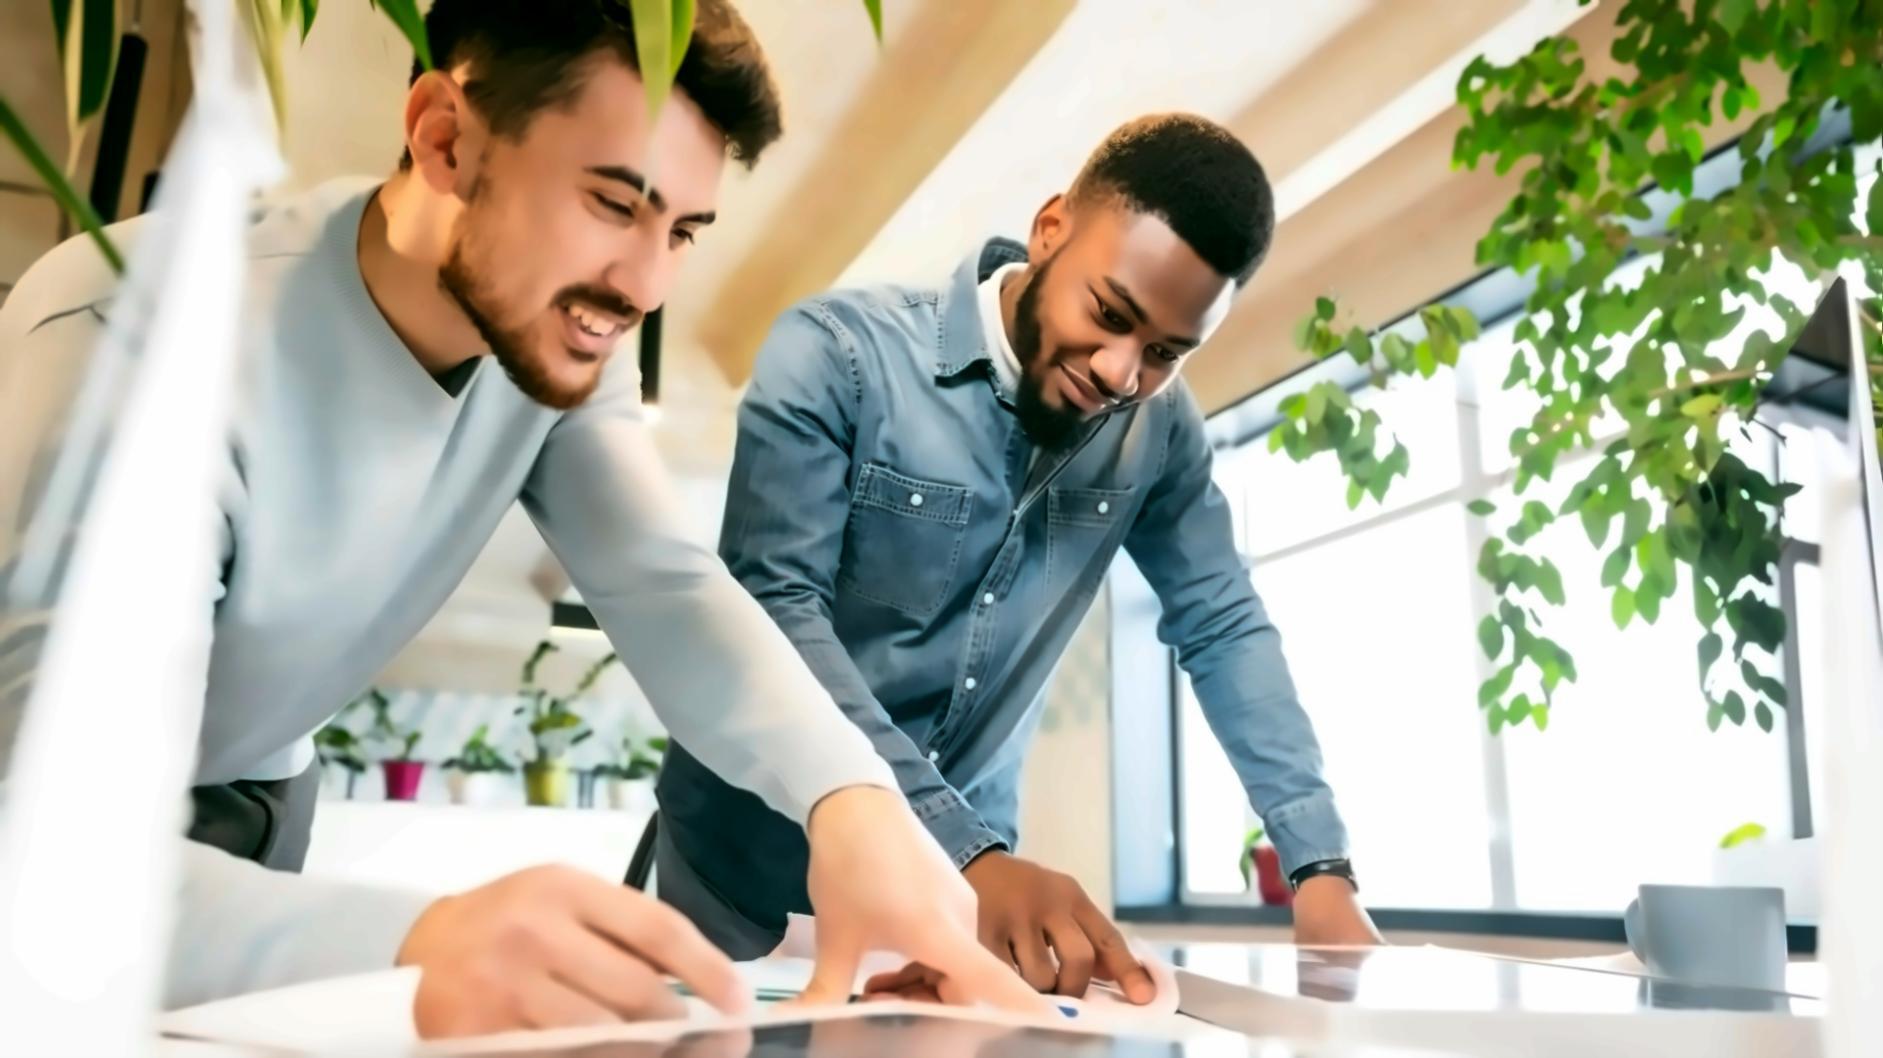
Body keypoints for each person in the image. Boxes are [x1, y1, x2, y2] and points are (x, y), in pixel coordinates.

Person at [0, 0, 1038, 1036]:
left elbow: (667, 584)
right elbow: (46, 863)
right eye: (610, 202)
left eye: (680, 229)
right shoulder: (133, 337)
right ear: (444, 137)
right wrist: (428, 939)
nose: (644, 282)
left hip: (257, 809)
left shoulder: (560, 343)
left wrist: (852, 803)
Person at [656, 113, 1384, 1000]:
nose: (1121, 374)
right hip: (747, 883)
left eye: (1164, 353)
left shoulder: (1158, 435)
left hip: (963, 894)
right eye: (1110, 316)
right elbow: (777, 611)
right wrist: (968, 851)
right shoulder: (837, 356)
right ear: (1049, 232)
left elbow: (1223, 624)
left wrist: (1320, 868)